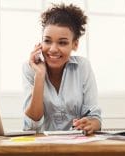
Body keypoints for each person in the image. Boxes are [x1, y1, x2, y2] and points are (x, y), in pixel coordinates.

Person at [22, 3, 101, 135]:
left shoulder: (83, 67)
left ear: (75, 44)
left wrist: (91, 123)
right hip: (40, 147)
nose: (53, 49)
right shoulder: (30, 68)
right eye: (47, 41)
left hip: (76, 146)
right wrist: (40, 76)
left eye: (62, 42)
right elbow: (33, 124)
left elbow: (95, 118)